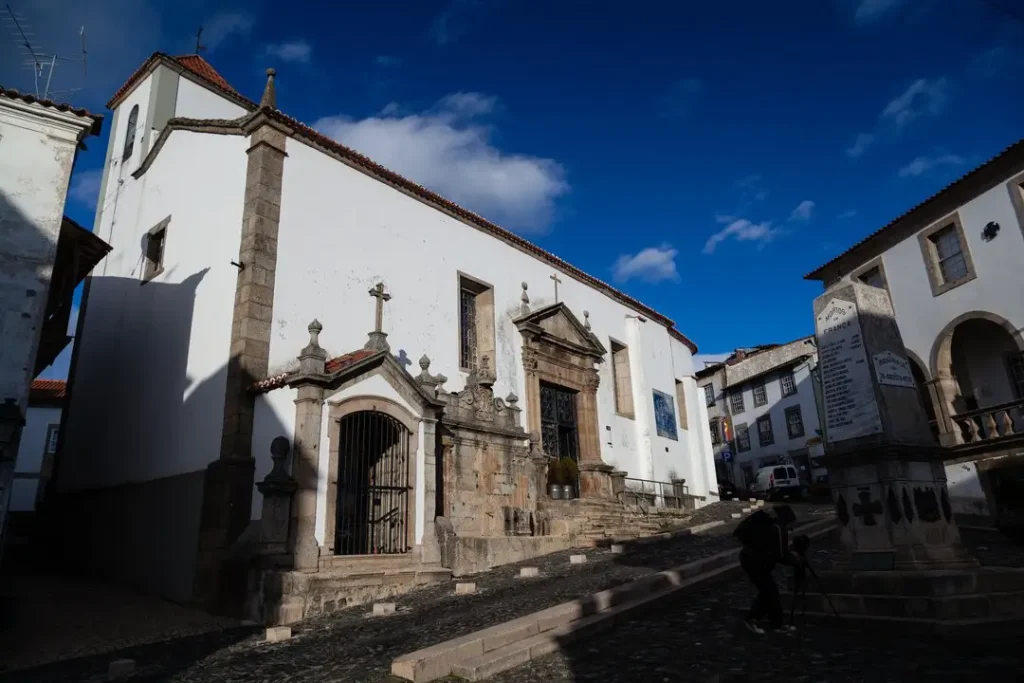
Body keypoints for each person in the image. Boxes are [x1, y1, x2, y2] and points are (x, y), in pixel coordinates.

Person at [733, 504, 799, 635]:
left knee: (769, 591)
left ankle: (775, 624)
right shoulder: (778, 529)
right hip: (754, 562)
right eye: (792, 523)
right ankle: (753, 620)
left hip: (752, 559)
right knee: (770, 591)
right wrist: (796, 560)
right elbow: (781, 554)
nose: (792, 527)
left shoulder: (773, 526)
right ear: (788, 520)